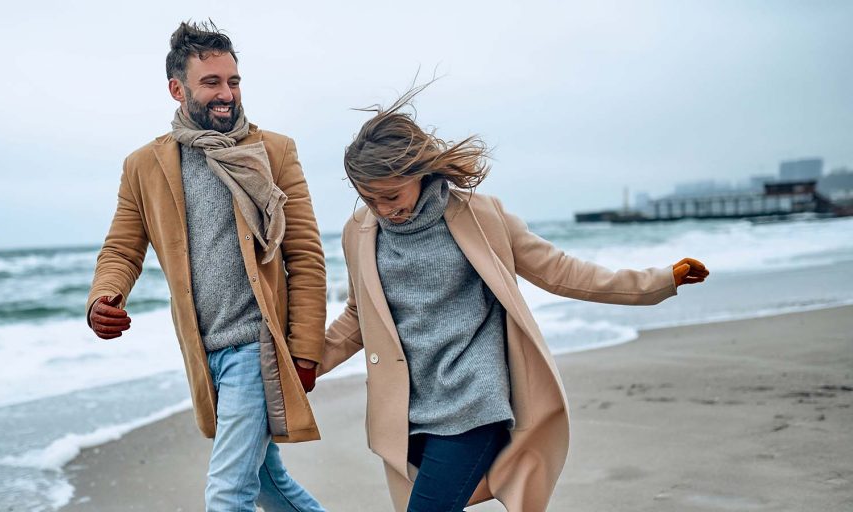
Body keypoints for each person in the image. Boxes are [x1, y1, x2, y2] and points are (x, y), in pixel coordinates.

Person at [319, 86, 709, 512]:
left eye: (391, 196)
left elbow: (560, 271)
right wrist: (305, 365)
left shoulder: (480, 216)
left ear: (419, 172)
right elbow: (358, 318)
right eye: (369, 198)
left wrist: (657, 282)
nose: (382, 209)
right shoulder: (359, 232)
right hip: (407, 413)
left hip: (473, 402)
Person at [86, 21, 327, 512]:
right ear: (178, 89)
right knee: (267, 484)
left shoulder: (273, 151)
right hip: (203, 351)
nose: (226, 94)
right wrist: (102, 299)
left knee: (227, 494)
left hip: (256, 346)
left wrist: (305, 348)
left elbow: (304, 254)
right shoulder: (144, 166)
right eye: (211, 82)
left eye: (233, 81)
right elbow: (122, 249)